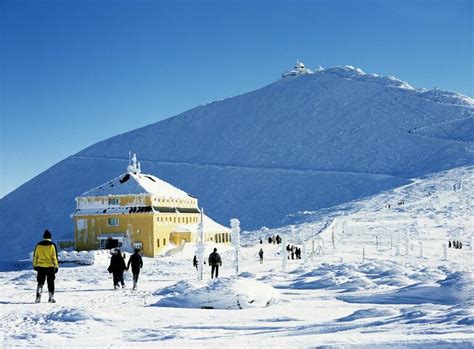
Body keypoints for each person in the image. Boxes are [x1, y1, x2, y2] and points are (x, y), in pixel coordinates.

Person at [33, 229, 59, 303]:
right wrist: (56, 266)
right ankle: (51, 298)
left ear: (43, 237)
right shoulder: (52, 245)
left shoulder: (38, 245)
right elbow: (54, 257)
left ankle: (38, 297)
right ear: (50, 237)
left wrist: (35, 265)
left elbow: (35, 256)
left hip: (40, 267)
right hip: (50, 267)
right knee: (50, 282)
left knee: (40, 282)